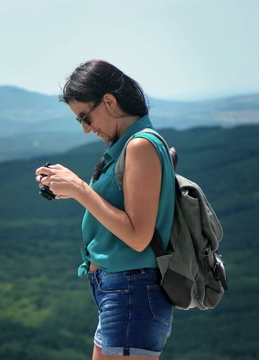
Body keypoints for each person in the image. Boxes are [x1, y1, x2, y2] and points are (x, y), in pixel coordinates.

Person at [35, 59, 176, 360]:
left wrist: (80, 190)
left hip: (131, 291)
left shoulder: (140, 146)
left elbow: (138, 236)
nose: (86, 129)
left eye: (85, 117)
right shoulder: (125, 147)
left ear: (109, 101)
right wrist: (69, 189)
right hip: (120, 291)